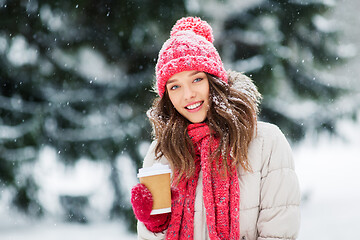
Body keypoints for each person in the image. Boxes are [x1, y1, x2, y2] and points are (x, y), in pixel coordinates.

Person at [131, 16, 301, 240]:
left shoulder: (265, 143)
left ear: (215, 80)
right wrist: (155, 225)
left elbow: (279, 232)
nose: (188, 94)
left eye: (197, 79)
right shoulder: (161, 153)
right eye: (175, 86)